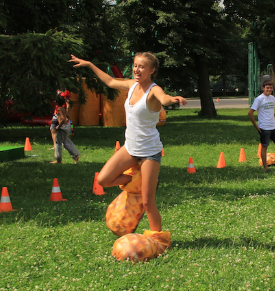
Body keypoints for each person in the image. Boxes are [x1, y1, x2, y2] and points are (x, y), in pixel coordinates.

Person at [69, 52, 187, 232]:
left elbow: (164, 98)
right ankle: (138, 180)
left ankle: (158, 238)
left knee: (148, 202)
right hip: (130, 148)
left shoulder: (153, 90)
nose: (137, 70)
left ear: (151, 70)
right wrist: (89, 64)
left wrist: (174, 99)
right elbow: (109, 81)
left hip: (149, 151)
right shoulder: (132, 85)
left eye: (142, 67)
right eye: (135, 65)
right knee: (103, 179)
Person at [248, 81, 275, 172]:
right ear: (263, 88)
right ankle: (266, 167)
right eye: (267, 88)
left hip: (273, 126)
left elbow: (271, 112)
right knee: (264, 147)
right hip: (264, 128)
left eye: (270, 88)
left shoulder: (272, 98)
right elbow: (250, 112)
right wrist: (256, 126)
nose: (269, 89)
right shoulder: (259, 99)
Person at [50, 95, 79, 164]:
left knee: (58, 143)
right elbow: (68, 117)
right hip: (67, 126)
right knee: (66, 142)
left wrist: (59, 126)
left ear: (57, 102)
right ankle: (75, 156)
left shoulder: (59, 109)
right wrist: (66, 123)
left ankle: (58, 160)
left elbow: (63, 119)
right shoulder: (64, 108)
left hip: (62, 127)